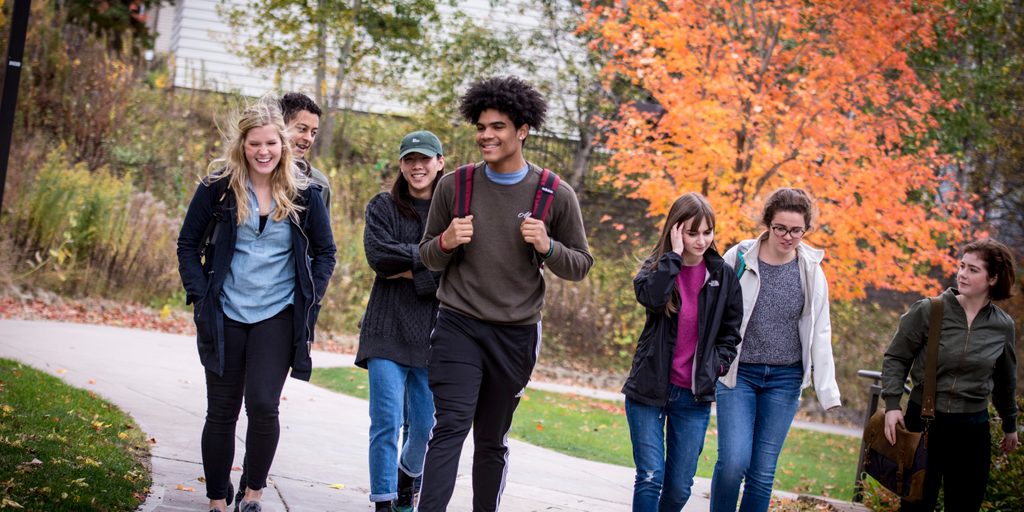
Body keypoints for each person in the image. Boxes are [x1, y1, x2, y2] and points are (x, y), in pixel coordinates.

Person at [416, 76, 594, 512]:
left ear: (523, 130)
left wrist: (548, 246)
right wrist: (446, 242)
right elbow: (426, 255)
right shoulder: (454, 186)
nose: (486, 136)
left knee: (491, 438)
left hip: (515, 334)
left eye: (497, 126)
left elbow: (581, 264)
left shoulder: (555, 193)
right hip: (459, 323)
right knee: (451, 426)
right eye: (480, 127)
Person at [176, 97, 336, 512]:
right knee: (222, 410)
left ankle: (253, 494)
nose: (263, 152)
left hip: (278, 314)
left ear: (283, 144)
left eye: (271, 143)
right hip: (225, 312)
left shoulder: (305, 192)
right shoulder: (218, 188)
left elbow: (326, 252)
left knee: (263, 406)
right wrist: (199, 294)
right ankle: (216, 499)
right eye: (254, 144)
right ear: (241, 145)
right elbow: (187, 244)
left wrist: (310, 296)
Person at [710, 187, 841, 512]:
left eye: (797, 230)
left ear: (805, 229)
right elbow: (712, 310)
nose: (788, 236)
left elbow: (820, 330)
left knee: (762, 472)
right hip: (738, 374)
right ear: (767, 223)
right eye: (780, 228)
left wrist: (828, 391)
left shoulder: (811, 269)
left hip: (784, 379)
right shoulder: (738, 257)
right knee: (733, 464)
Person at [623, 192, 743, 511]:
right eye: (692, 232)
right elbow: (652, 299)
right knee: (650, 476)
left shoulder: (723, 277)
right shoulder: (656, 268)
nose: (701, 240)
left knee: (678, 488)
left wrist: (715, 366)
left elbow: (731, 331)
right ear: (676, 231)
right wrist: (673, 259)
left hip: (693, 398)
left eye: (707, 232)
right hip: (648, 390)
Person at [881, 238, 1018, 512]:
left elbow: (1005, 381)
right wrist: (893, 405)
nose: (962, 274)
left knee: (965, 506)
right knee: (916, 505)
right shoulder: (929, 310)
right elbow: (896, 357)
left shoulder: (1002, 326)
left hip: (972, 430)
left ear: (992, 278)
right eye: (961, 266)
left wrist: (1010, 424)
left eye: (973, 269)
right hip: (925, 421)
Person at [355, 131, 445, 512]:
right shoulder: (382, 206)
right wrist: (431, 256)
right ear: (402, 164)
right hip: (386, 328)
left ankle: (407, 477)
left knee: (424, 428)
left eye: (425, 159)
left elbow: (454, 273)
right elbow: (379, 257)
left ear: (440, 162)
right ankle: (384, 500)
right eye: (410, 159)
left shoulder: (453, 213)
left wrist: (408, 265)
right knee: (386, 423)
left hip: (433, 334)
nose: (417, 166)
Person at [279, 92, 331, 211]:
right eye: (302, 129)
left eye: (313, 133)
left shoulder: (319, 183)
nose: (309, 138)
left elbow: (323, 229)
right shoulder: (258, 174)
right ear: (281, 126)